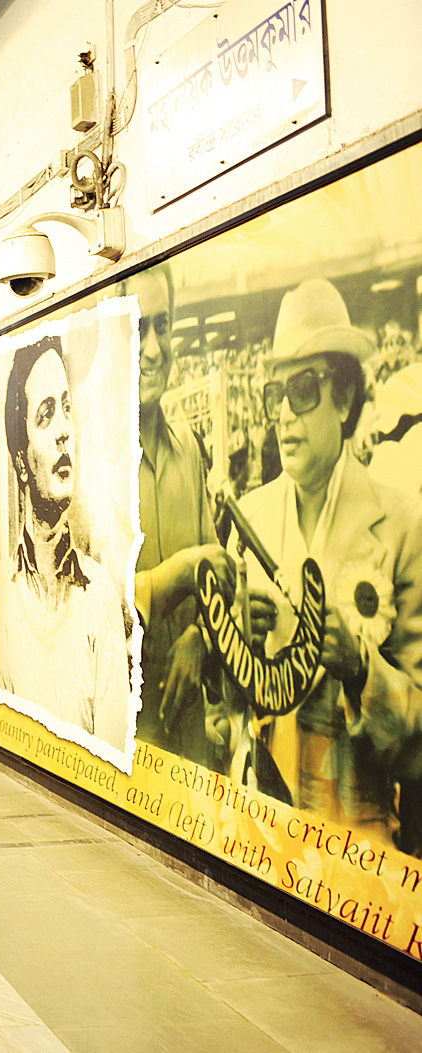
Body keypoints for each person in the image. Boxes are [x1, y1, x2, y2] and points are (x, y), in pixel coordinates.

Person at [218, 279, 422, 845]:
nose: (283, 415)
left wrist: (360, 669)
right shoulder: (251, 519)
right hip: (264, 835)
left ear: (346, 397)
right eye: (274, 395)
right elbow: (234, 708)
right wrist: (236, 650)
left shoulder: (403, 526)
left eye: (302, 390)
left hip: (362, 866)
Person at [0, 337, 130, 746]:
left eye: (67, 409)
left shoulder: (100, 595)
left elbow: (111, 746)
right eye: (46, 414)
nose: (64, 432)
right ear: (21, 460)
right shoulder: (3, 597)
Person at [124, 266, 233, 768]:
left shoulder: (189, 450)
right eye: (140, 328)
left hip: (191, 739)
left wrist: (201, 636)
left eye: (163, 327)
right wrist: (178, 575)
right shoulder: (91, 463)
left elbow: (218, 579)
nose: (154, 349)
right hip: (126, 738)